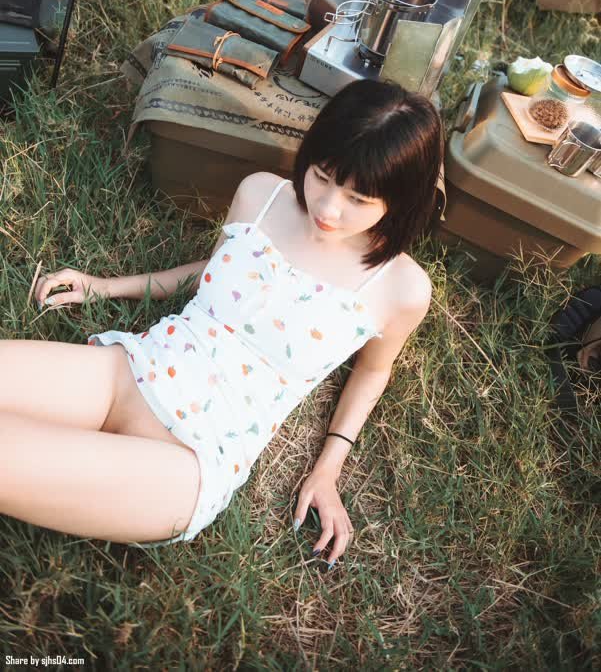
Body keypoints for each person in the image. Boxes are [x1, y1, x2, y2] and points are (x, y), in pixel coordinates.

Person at [4, 79, 443, 566]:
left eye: (358, 199)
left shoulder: (400, 288)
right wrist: (105, 286)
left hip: (189, 460)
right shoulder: (262, 195)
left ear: (400, 200)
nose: (327, 207)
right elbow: (214, 270)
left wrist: (328, 468)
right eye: (321, 176)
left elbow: (373, 371)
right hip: (131, 371)